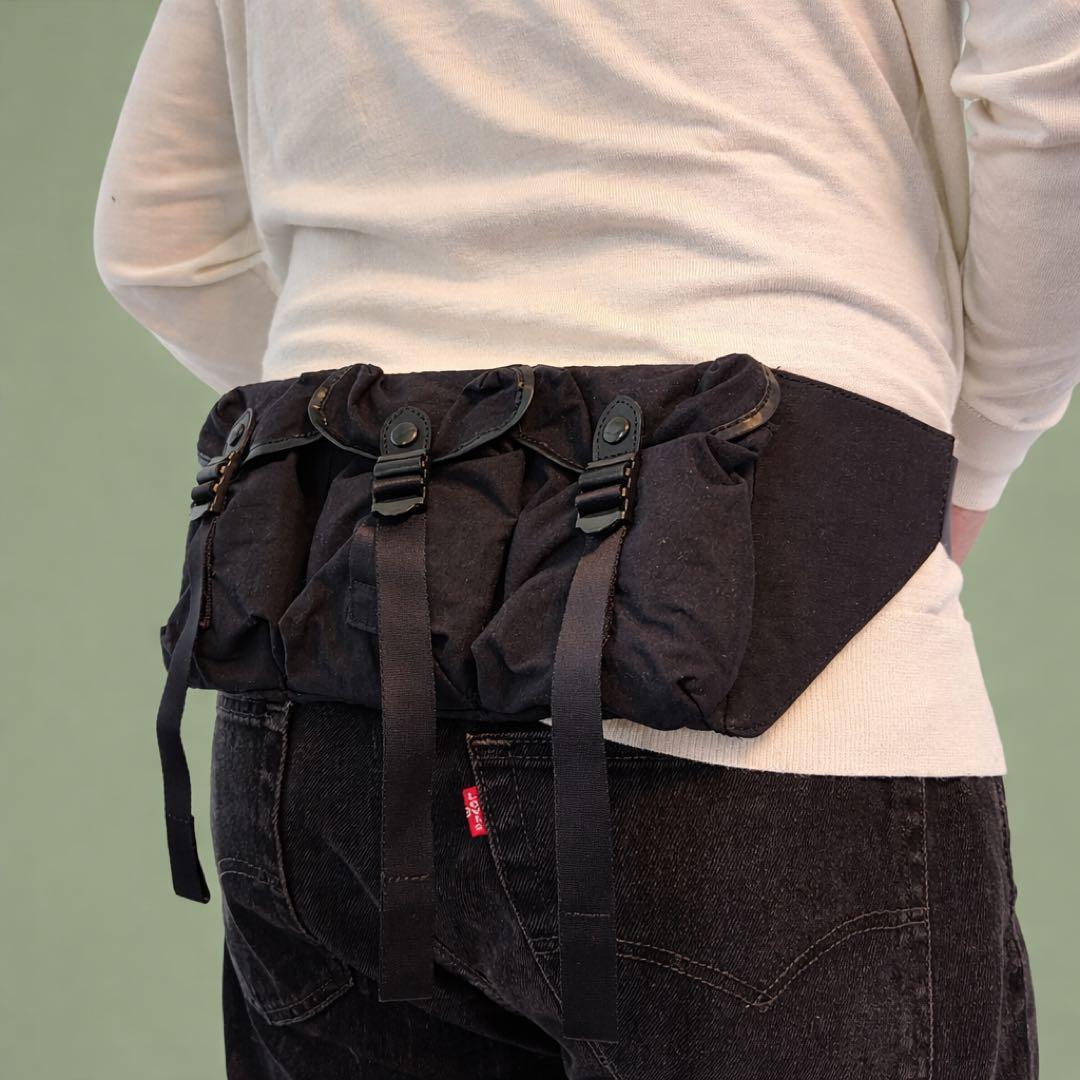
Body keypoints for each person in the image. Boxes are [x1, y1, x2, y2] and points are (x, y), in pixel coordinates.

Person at [93, 1, 1076, 1076]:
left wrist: (393, 459)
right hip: (770, 655)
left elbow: (159, 239)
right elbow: (1057, 96)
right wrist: (964, 460)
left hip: (325, 684)